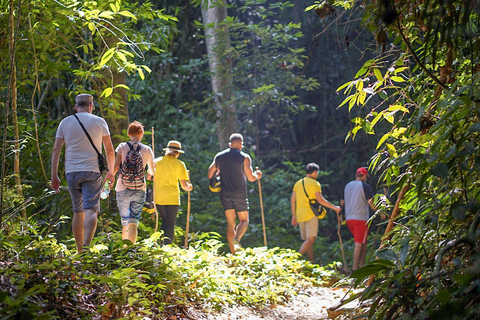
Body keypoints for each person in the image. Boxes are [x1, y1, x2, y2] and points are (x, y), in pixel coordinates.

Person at [51, 93, 115, 254]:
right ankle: (86, 249)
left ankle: (79, 251)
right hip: (92, 172)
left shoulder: (65, 122)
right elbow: (109, 150)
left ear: (76, 106)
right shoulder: (99, 122)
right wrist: (111, 172)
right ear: (91, 106)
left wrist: (54, 175)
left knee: (77, 211)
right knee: (91, 209)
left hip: (71, 172)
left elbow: (56, 149)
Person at [207, 133, 262, 254]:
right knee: (244, 221)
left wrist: (217, 174)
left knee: (231, 223)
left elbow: (209, 174)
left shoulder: (219, 157)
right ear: (241, 145)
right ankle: (236, 239)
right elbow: (251, 178)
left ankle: (233, 254)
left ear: (230, 144)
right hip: (239, 194)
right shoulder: (244, 157)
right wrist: (257, 176)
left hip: (225, 194)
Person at [290, 163, 341, 263]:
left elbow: (292, 200)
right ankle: (295, 260)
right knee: (311, 239)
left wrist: (293, 216)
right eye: (316, 172)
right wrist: (334, 207)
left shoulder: (298, 183)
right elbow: (321, 200)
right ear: (314, 172)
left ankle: (311, 263)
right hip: (310, 214)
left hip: (299, 215)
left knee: (308, 241)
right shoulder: (315, 184)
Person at [114, 121, 155, 245]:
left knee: (125, 221)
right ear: (141, 133)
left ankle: (124, 251)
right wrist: (150, 172)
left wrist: (109, 179)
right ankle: (130, 249)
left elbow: (116, 167)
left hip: (122, 187)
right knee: (133, 221)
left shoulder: (122, 146)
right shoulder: (147, 149)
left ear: (128, 134)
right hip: (139, 188)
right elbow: (152, 171)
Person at [154, 140, 193, 245]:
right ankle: (167, 246)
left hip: (158, 197)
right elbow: (184, 186)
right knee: (170, 223)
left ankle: (160, 244)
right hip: (172, 198)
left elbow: (149, 176)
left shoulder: (156, 161)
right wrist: (189, 187)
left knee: (164, 220)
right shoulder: (180, 164)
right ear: (178, 153)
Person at [340, 167, 376, 271]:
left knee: (362, 242)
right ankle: (355, 269)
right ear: (364, 176)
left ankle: (362, 265)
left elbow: (342, 203)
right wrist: (381, 212)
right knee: (359, 243)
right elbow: (371, 204)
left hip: (349, 219)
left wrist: (341, 216)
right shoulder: (365, 186)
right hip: (361, 219)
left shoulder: (347, 186)